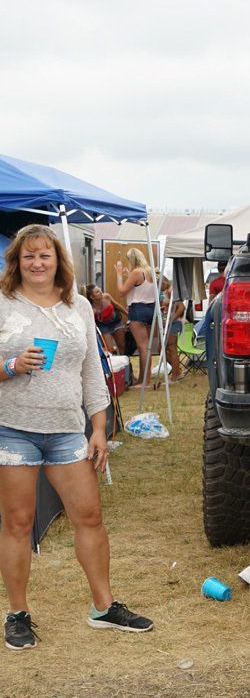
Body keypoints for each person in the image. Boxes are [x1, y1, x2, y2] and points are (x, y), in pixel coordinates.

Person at [1, 225, 153, 651]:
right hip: (12, 428)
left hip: (68, 429)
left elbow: (92, 371)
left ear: (57, 261)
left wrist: (100, 427)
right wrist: (12, 364)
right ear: (16, 261)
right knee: (17, 523)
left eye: (44, 255)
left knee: (89, 517)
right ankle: (17, 614)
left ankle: (103, 608)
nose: (36, 263)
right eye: (28, 256)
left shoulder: (78, 305)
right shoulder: (3, 303)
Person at [114, 248, 158, 387]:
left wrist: (119, 275)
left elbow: (122, 291)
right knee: (146, 346)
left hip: (138, 310)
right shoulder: (149, 272)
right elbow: (141, 288)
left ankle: (145, 381)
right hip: (151, 309)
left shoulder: (136, 272)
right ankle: (143, 379)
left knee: (143, 347)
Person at [84, 284, 126, 355]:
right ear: (92, 297)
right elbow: (90, 323)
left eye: (99, 289)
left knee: (122, 345)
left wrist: (127, 313)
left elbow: (116, 305)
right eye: (97, 291)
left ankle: (125, 362)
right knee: (109, 349)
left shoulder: (107, 297)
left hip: (116, 323)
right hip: (104, 327)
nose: (100, 291)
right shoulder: (91, 308)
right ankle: (113, 363)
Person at [159, 276, 185, 384]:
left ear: (164, 282)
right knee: (161, 348)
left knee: (172, 349)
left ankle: (175, 376)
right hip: (171, 323)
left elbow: (182, 307)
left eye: (159, 285)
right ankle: (177, 371)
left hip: (174, 323)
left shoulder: (171, 291)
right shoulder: (167, 291)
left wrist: (171, 319)